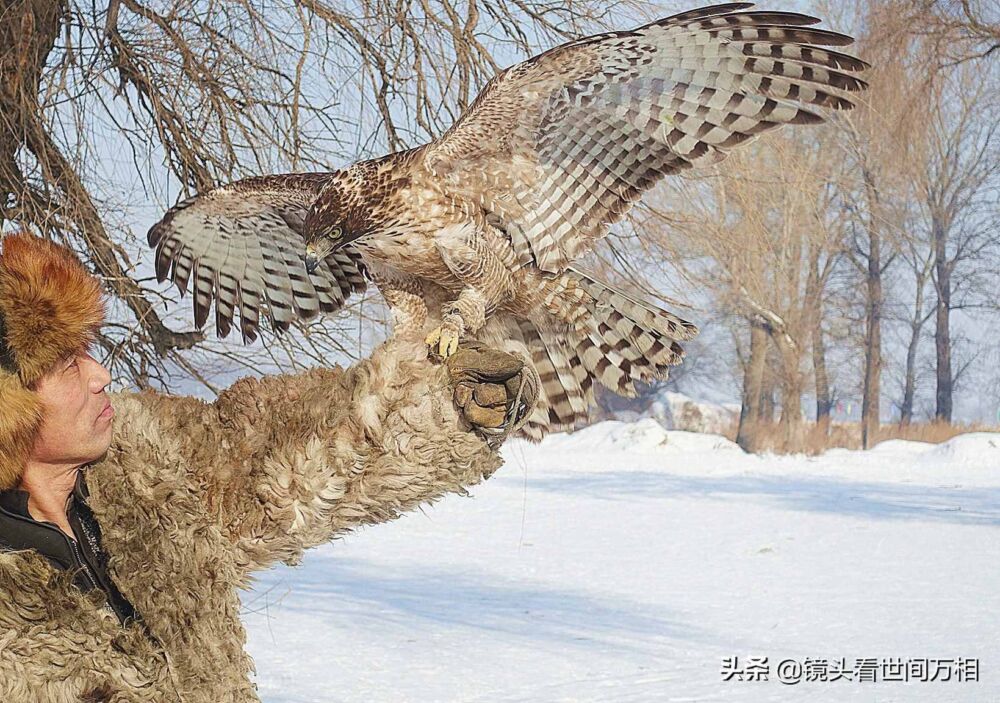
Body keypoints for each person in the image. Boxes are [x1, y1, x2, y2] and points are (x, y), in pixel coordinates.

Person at [0, 231, 538, 702]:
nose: (100, 374)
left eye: (90, 349)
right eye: (68, 363)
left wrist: (447, 398)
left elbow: (287, 451)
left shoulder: (143, 463)